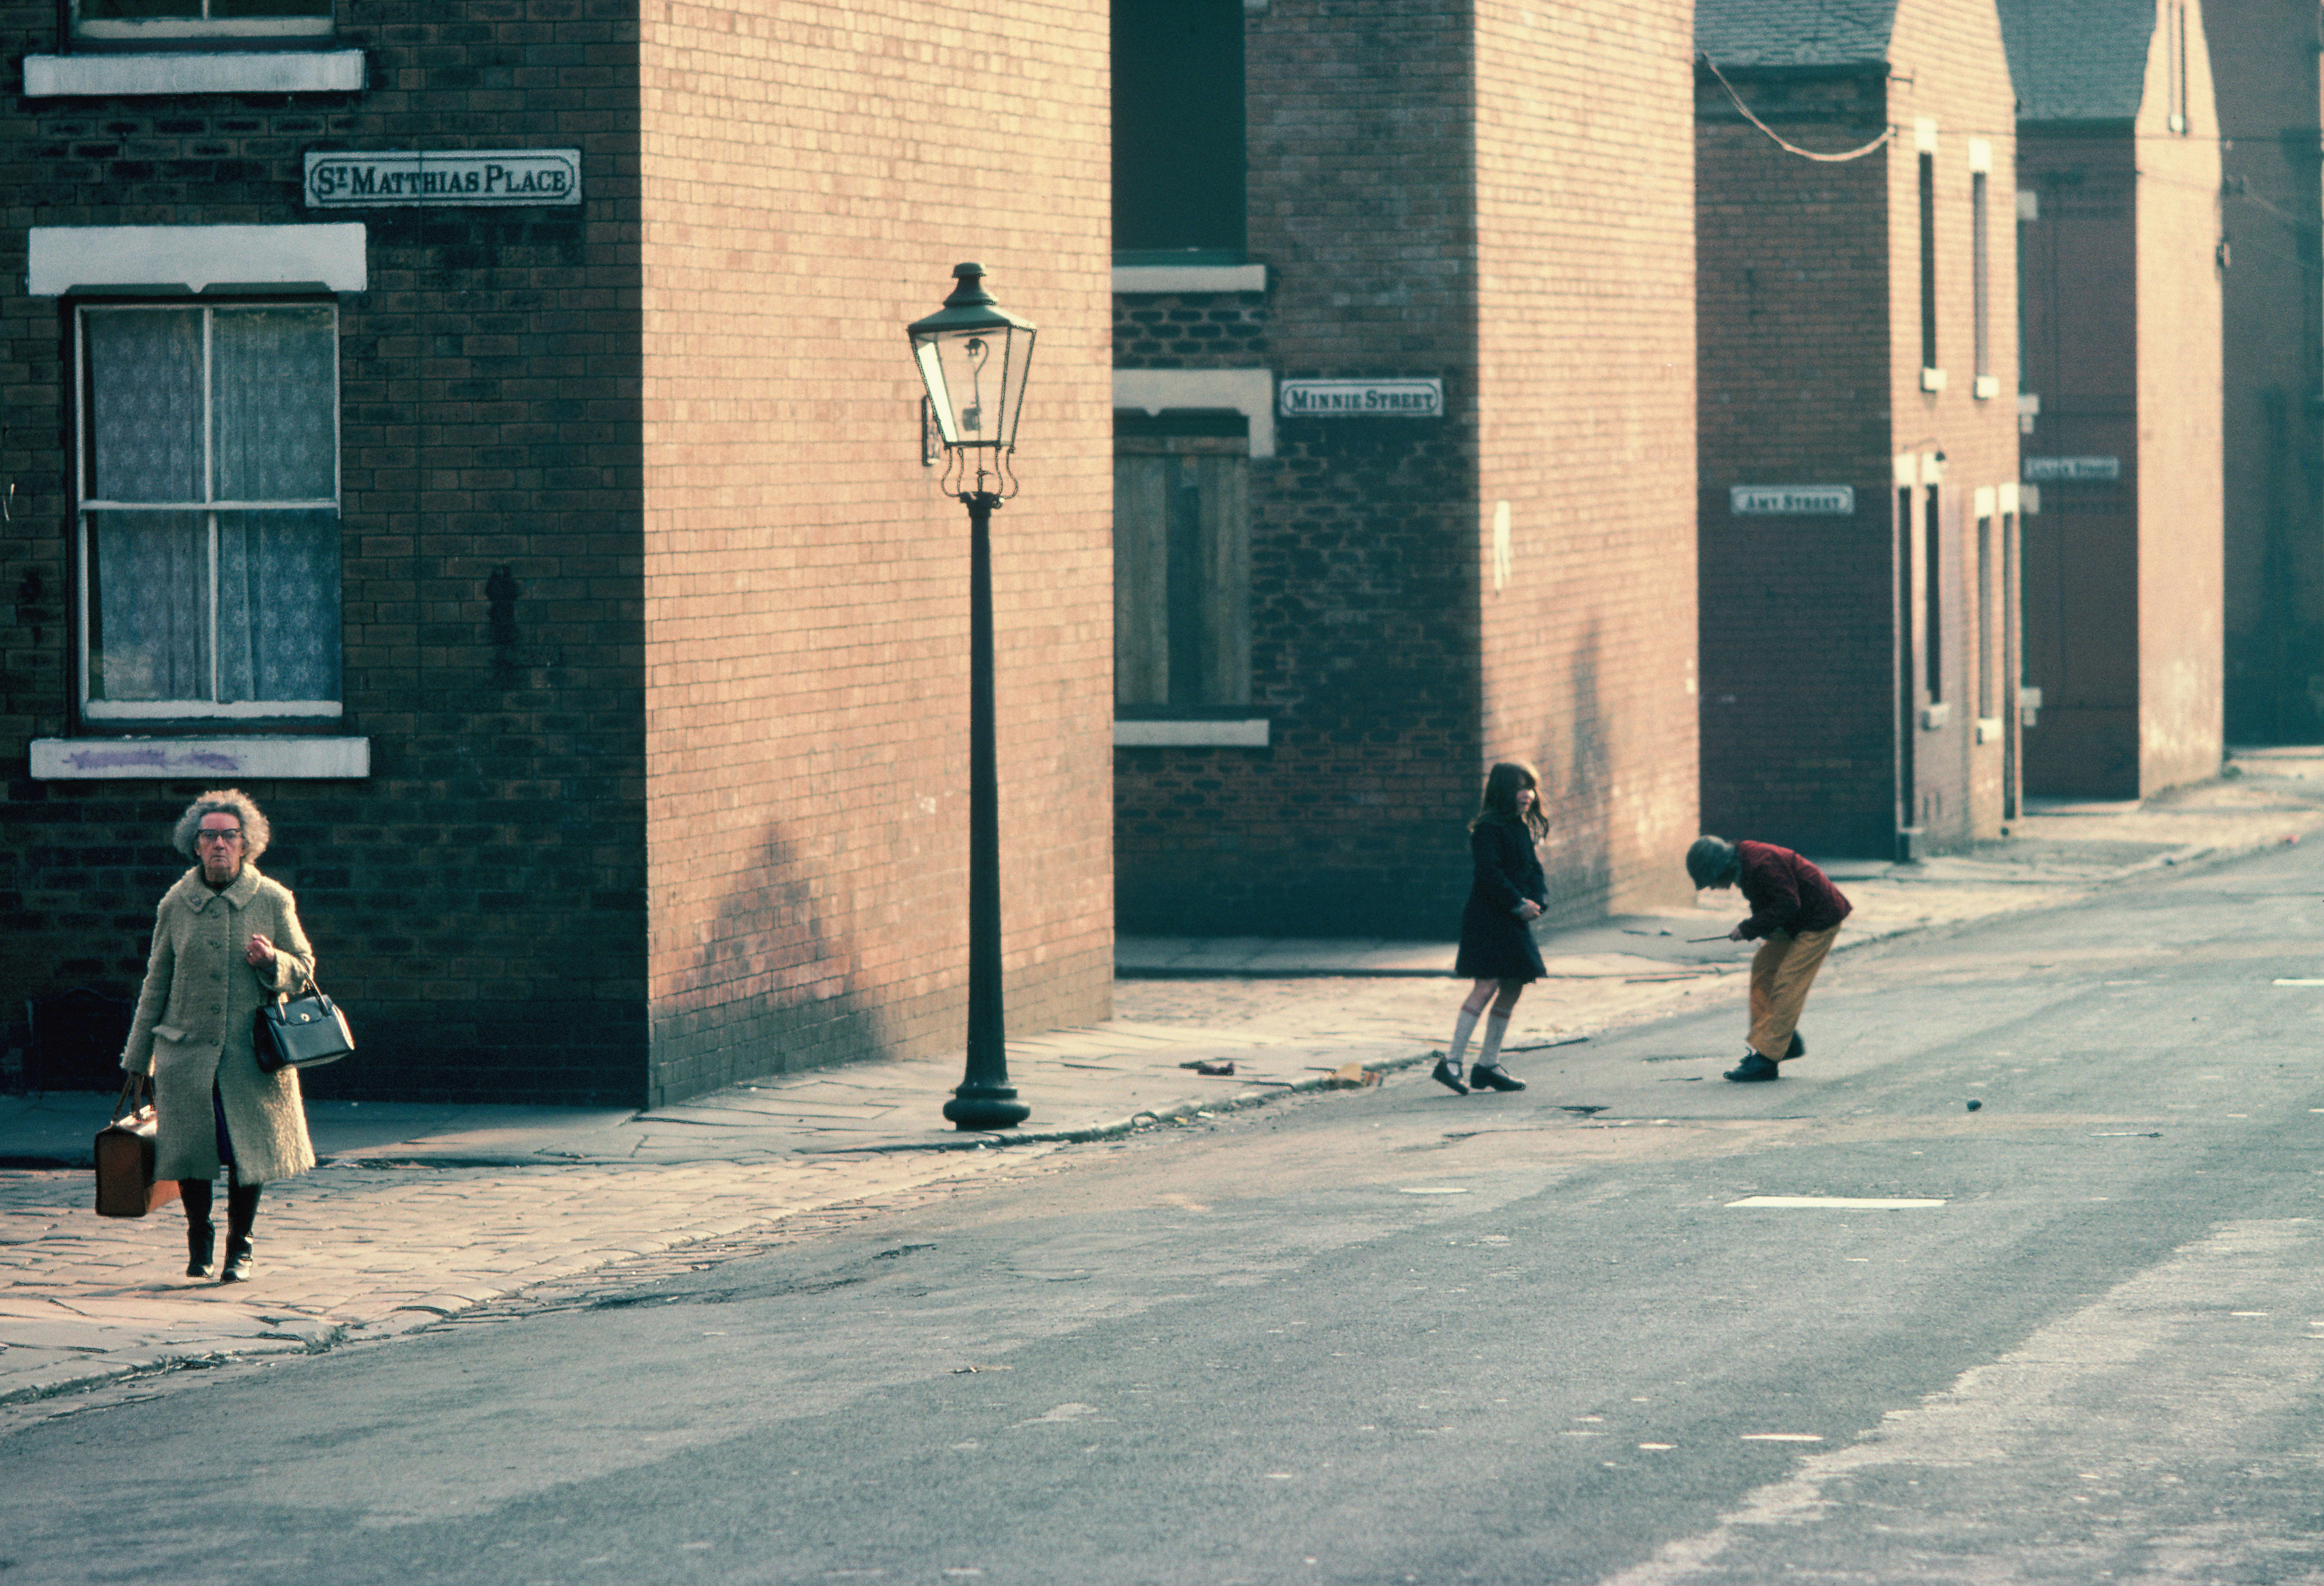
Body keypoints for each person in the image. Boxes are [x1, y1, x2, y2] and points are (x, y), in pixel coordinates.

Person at [120, 791, 319, 1283]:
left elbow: (306, 968)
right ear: (195, 844)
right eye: (209, 835)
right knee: (192, 1153)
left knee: (246, 1153)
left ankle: (241, 1248)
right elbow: (156, 982)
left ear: (246, 843)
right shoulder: (176, 903)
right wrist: (137, 1057)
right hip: (184, 1054)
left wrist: (274, 962)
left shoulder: (271, 899)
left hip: (248, 1055)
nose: (219, 844)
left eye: (229, 835)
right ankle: (199, 1240)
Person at [1685, 835, 1851, 1083]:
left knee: (1788, 982)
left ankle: (1767, 1060)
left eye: (1712, 881)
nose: (1713, 886)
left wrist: (1749, 928)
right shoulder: (1745, 865)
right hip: (1795, 920)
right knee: (1764, 968)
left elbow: (1787, 903)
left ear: (1721, 868)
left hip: (1819, 918)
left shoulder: (1761, 864)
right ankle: (1781, 1042)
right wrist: (1759, 927)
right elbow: (1767, 901)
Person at [1436, 761, 1550, 1095]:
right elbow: (1490, 875)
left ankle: (1487, 1065)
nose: (1528, 794)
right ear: (1503, 792)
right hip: (1488, 919)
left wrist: (1538, 901)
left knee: (1515, 984)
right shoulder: (1488, 830)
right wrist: (1518, 902)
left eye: (1531, 787)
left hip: (1514, 918)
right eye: (1520, 787)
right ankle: (1452, 1061)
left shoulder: (1520, 827)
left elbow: (1534, 871)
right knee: (1486, 985)